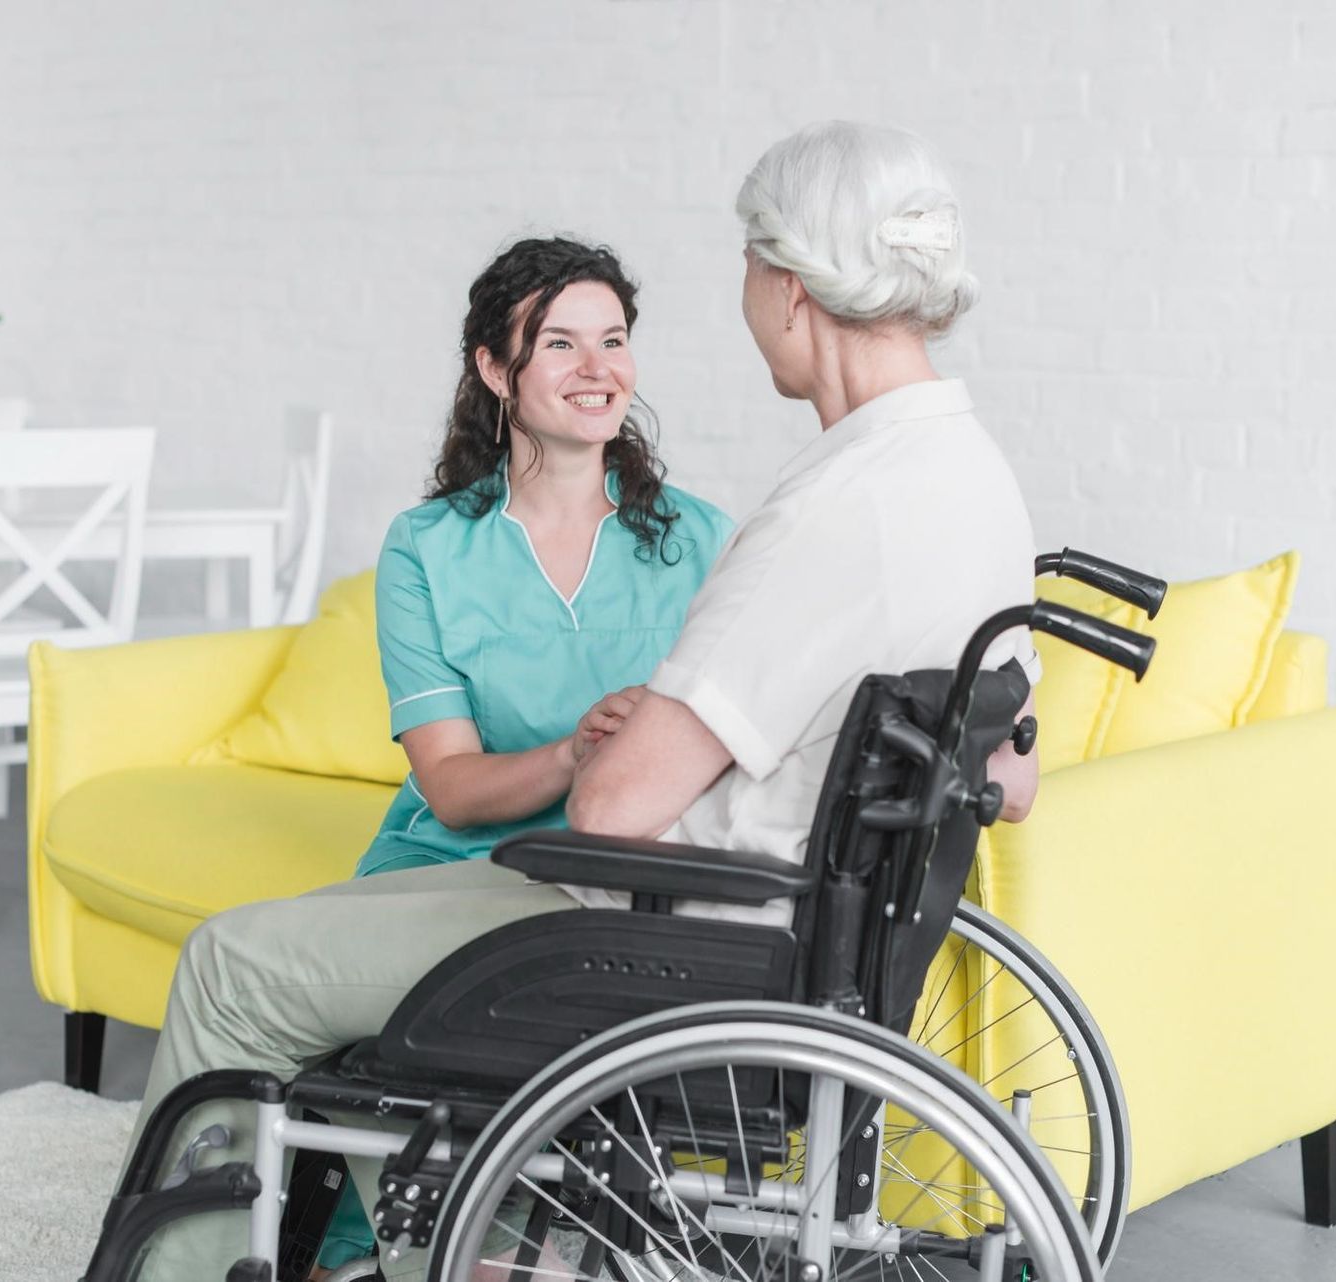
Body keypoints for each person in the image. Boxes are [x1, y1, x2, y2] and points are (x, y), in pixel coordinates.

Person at [111, 121, 1040, 1281]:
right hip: (788, 931)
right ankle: (466, 1248)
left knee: (228, 966)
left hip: (668, 937)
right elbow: (1013, 774)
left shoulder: (821, 511)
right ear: (499, 373)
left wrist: (624, 738)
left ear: (791, 290)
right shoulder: (972, 479)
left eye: (749, 269)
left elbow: (610, 807)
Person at [315, 238, 732, 1273]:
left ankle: (461, 1247)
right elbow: (452, 790)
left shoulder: (700, 542)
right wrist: (575, 747)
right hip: (444, 863)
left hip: (606, 877)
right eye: (560, 344)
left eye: (614, 341)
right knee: (354, 1071)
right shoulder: (428, 546)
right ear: (495, 371)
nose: (599, 369)